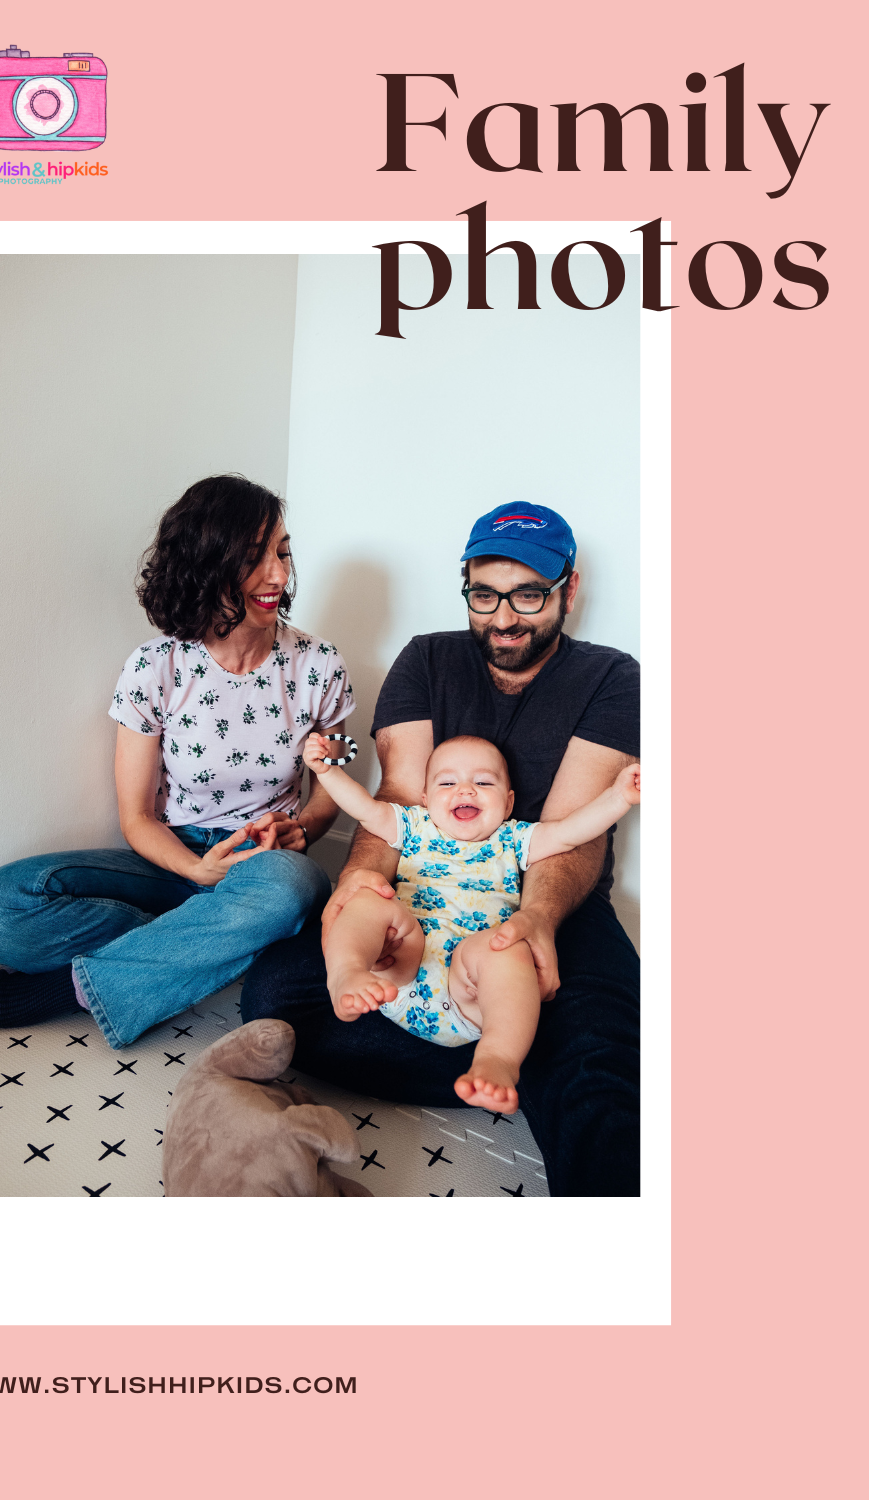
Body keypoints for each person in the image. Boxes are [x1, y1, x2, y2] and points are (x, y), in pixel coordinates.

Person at [240, 500, 640, 1196]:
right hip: (422, 908)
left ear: (569, 589)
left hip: (543, 905)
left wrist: (533, 925)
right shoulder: (427, 658)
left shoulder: (611, 677)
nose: (505, 617)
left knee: (603, 1073)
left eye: (529, 594)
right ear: (465, 585)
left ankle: (516, 1051)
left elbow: (574, 837)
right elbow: (390, 802)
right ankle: (508, 1051)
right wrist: (359, 893)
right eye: (485, 595)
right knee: (274, 995)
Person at [0, 474, 353, 1049]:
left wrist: (301, 828)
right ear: (204, 565)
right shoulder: (155, 666)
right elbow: (136, 818)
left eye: (283, 553)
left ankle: (70, 990)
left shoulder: (319, 665)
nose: (279, 574)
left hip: (263, 868)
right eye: (253, 558)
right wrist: (195, 871)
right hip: (173, 861)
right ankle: (211, 944)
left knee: (290, 891)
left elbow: (335, 783)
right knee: (3, 903)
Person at [303, 729, 640, 1114]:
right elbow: (363, 807)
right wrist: (325, 771)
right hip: (401, 966)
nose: (465, 790)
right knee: (368, 896)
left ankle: (497, 1057)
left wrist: (620, 797)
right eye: (448, 782)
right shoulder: (414, 825)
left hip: (471, 992)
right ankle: (346, 973)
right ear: (427, 799)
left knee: (507, 950)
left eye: (483, 782)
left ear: (508, 801)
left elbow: (570, 833)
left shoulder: (514, 839)